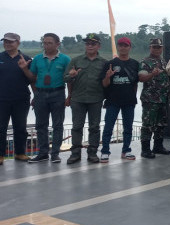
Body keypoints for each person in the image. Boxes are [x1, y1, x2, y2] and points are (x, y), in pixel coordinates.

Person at [22, 34, 70, 163]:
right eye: (44, 43)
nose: (46, 45)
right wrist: (25, 69)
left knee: (58, 125)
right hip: (41, 94)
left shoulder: (65, 59)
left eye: (49, 43)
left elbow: (69, 79)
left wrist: (70, 96)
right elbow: (32, 78)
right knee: (41, 125)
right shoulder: (37, 59)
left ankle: (55, 153)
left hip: (58, 94)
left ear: (57, 44)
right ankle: (43, 153)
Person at [64, 33, 107, 164]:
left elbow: (107, 82)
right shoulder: (76, 61)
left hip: (96, 99)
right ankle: (75, 153)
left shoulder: (104, 62)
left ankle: (92, 152)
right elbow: (65, 78)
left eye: (93, 44)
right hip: (78, 99)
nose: (90, 46)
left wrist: (107, 98)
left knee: (94, 127)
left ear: (98, 46)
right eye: (87, 43)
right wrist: (71, 75)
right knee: (77, 127)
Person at [99, 37, 140, 162]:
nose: (123, 47)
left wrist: (132, 96)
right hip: (113, 101)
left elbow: (135, 83)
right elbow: (104, 84)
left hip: (129, 101)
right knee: (108, 127)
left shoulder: (135, 64)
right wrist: (107, 76)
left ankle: (126, 150)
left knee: (128, 128)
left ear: (129, 47)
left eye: (125, 45)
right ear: (118, 47)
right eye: (121, 45)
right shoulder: (110, 64)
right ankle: (105, 151)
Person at [0, 33, 32, 165]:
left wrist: (24, 68)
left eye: (11, 42)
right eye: (5, 41)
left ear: (18, 43)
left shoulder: (26, 58)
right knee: (1, 128)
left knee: (20, 127)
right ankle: (1, 155)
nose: (7, 44)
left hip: (21, 99)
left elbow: (32, 79)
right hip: (2, 99)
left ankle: (20, 153)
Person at [138, 38, 170, 158]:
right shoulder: (145, 62)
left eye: (159, 47)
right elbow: (141, 78)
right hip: (150, 99)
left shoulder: (163, 62)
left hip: (163, 99)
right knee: (148, 124)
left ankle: (158, 146)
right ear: (150, 48)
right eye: (155, 47)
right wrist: (152, 74)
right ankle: (145, 149)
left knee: (161, 124)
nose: (157, 49)